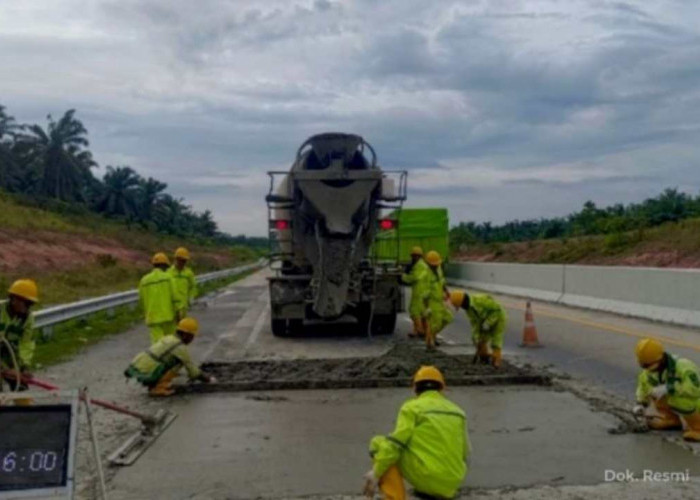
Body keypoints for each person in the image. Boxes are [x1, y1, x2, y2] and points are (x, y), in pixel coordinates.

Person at [365, 366, 469, 500]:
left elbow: (396, 444)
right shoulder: (458, 411)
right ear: (442, 388)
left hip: (427, 476)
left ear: (414, 388)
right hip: (451, 483)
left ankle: (395, 497)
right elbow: (466, 453)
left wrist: (376, 472)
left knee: (380, 443)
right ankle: (433, 490)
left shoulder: (411, 408)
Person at [124, 317, 215, 397]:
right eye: (191, 336)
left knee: (169, 362)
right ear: (185, 335)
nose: (192, 340)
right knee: (178, 364)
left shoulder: (168, 338)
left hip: (137, 367)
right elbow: (193, 372)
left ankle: (154, 384)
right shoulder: (180, 348)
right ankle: (158, 388)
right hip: (148, 373)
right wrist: (209, 379)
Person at [633, 338, 700, 442]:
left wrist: (670, 388)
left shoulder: (683, 367)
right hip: (682, 400)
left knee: (679, 400)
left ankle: (698, 428)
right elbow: (644, 387)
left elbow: (695, 390)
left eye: (649, 365)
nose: (647, 369)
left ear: (661, 359)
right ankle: (672, 421)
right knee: (655, 393)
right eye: (644, 366)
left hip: (697, 402)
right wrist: (640, 403)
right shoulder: (650, 373)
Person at [0, 280, 39, 404]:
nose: (26, 307)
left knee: (21, 391)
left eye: (28, 304)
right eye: (24, 302)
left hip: (9, 355)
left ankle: (23, 417)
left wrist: (24, 367)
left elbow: (26, 344)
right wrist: (2, 369)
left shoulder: (28, 318)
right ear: (14, 299)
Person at [449, 290, 507, 368]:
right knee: (480, 340)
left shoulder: (480, 300)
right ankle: (485, 358)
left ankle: (496, 363)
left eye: (460, 306)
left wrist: (488, 322)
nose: (461, 308)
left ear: (463, 302)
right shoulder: (469, 310)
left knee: (496, 342)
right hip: (484, 323)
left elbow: (497, 310)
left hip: (498, 319)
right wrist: (476, 337)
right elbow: (475, 323)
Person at [139, 252, 183, 344]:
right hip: (169, 317)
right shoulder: (169, 278)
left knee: (157, 345)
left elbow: (142, 300)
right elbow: (175, 298)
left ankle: (158, 358)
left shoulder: (144, 281)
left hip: (153, 318)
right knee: (170, 343)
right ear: (165, 265)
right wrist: (179, 314)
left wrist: (146, 314)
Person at [417, 251, 453, 350]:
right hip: (431, 302)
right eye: (433, 264)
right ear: (428, 264)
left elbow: (442, 281)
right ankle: (430, 343)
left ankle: (432, 336)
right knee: (433, 323)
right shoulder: (425, 275)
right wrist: (426, 307)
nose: (435, 266)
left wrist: (446, 291)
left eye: (437, 264)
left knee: (448, 317)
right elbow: (424, 294)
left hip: (440, 300)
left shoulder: (439, 270)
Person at [401, 246, 429, 338]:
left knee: (413, 311)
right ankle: (417, 331)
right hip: (424, 292)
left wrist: (402, 276)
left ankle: (420, 330)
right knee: (421, 313)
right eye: (413, 256)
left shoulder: (419, 266)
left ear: (418, 256)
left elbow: (414, 278)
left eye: (414, 256)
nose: (413, 258)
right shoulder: (422, 265)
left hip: (419, 292)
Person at [168, 247, 198, 317]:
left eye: (184, 261)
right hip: (172, 306)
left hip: (183, 306)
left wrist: (191, 297)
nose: (183, 263)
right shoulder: (169, 273)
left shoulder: (188, 273)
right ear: (176, 259)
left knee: (182, 326)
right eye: (181, 260)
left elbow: (193, 286)